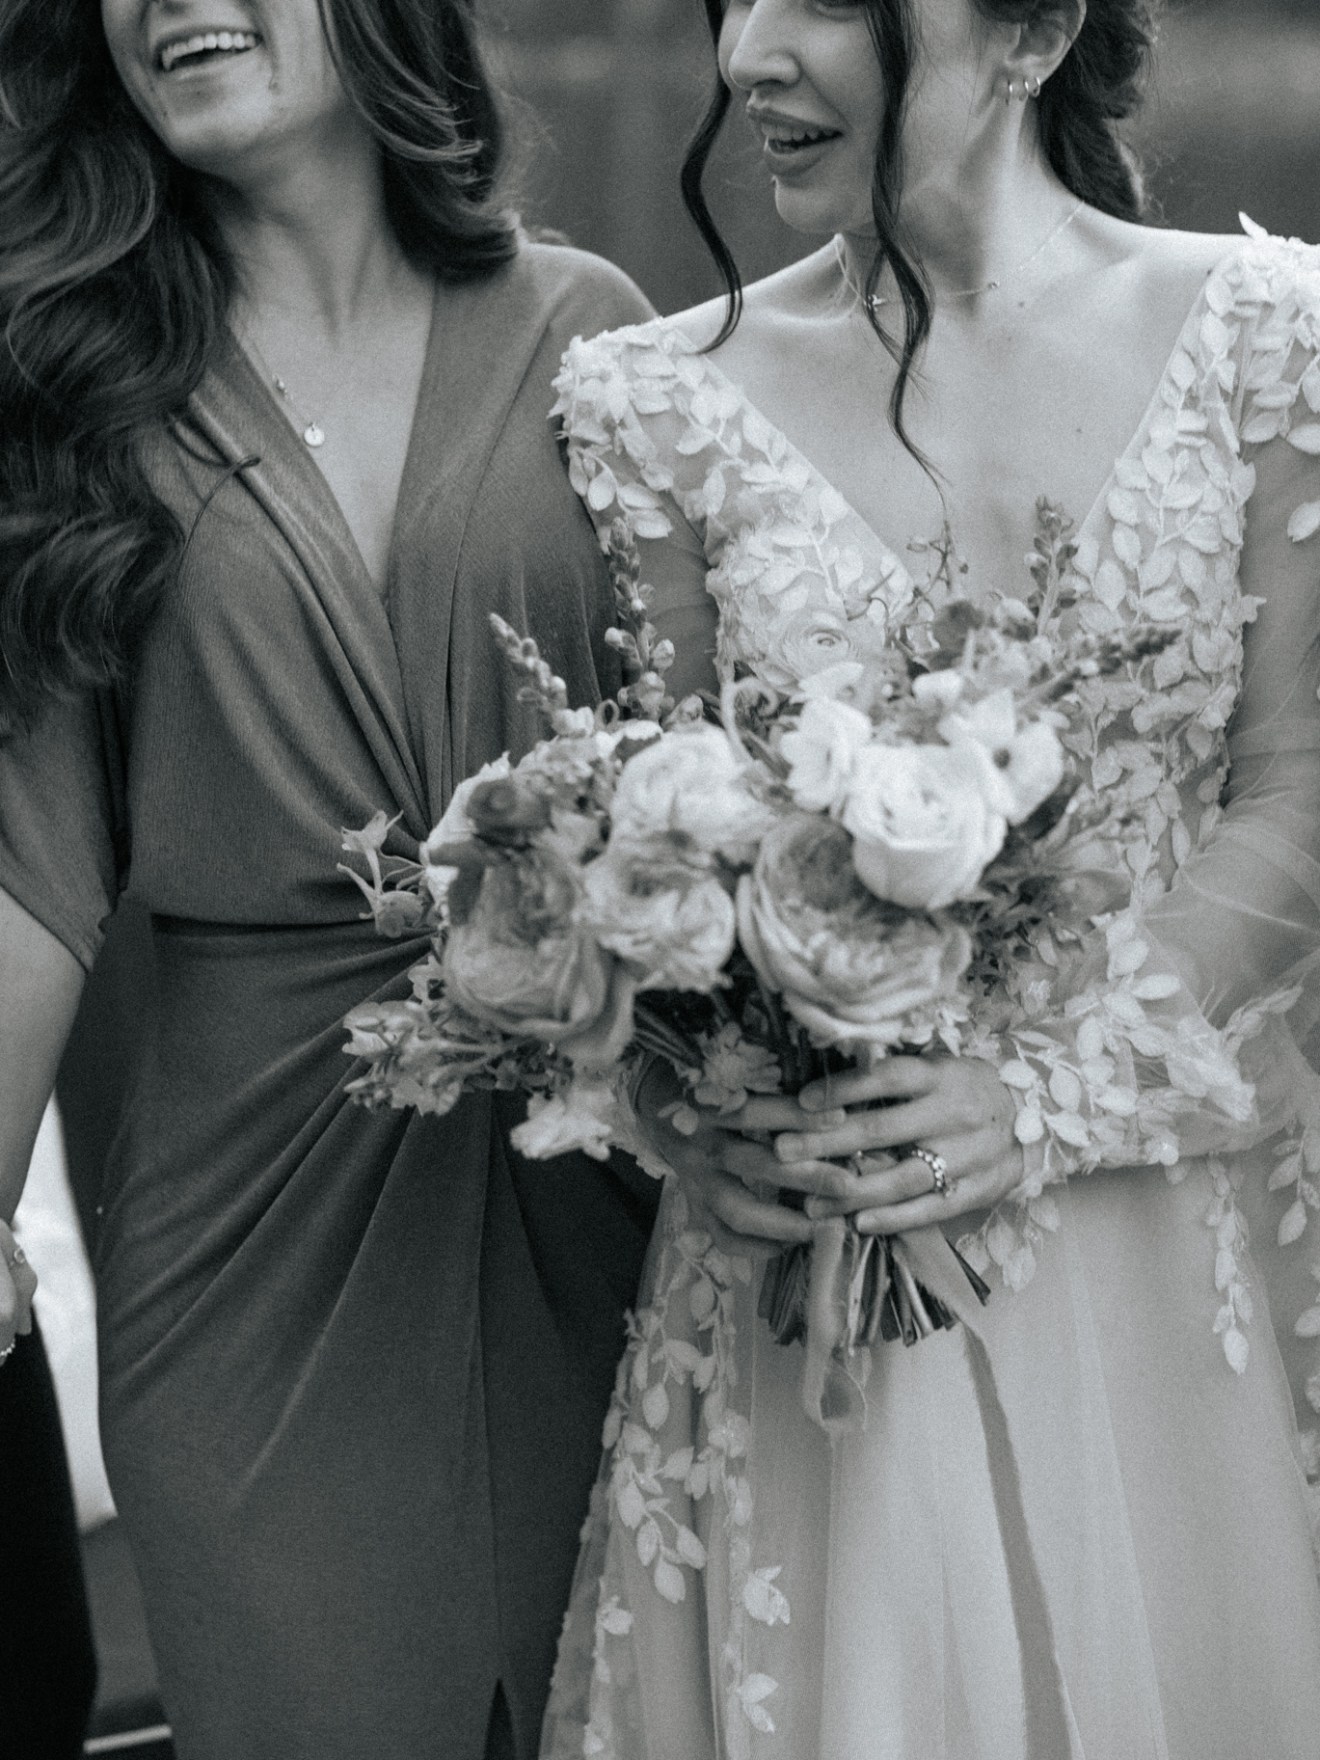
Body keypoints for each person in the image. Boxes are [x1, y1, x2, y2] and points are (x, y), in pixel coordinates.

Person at [544, 0, 1320, 1754]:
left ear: (1036, 26)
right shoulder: (654, 401)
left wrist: (1035, 1101)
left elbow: (1296, 786)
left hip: (1158, 1228)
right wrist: (705, 1099)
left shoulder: (1270, 331)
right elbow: (667, 832)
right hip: (812, 1260)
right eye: (730, 0)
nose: (745, 53)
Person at [0, 1, 658, 1756]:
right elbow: (34, 869)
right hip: (251, 1249)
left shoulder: (597, 333)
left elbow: (708, 749)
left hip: (613, 1186)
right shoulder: (69, 382)